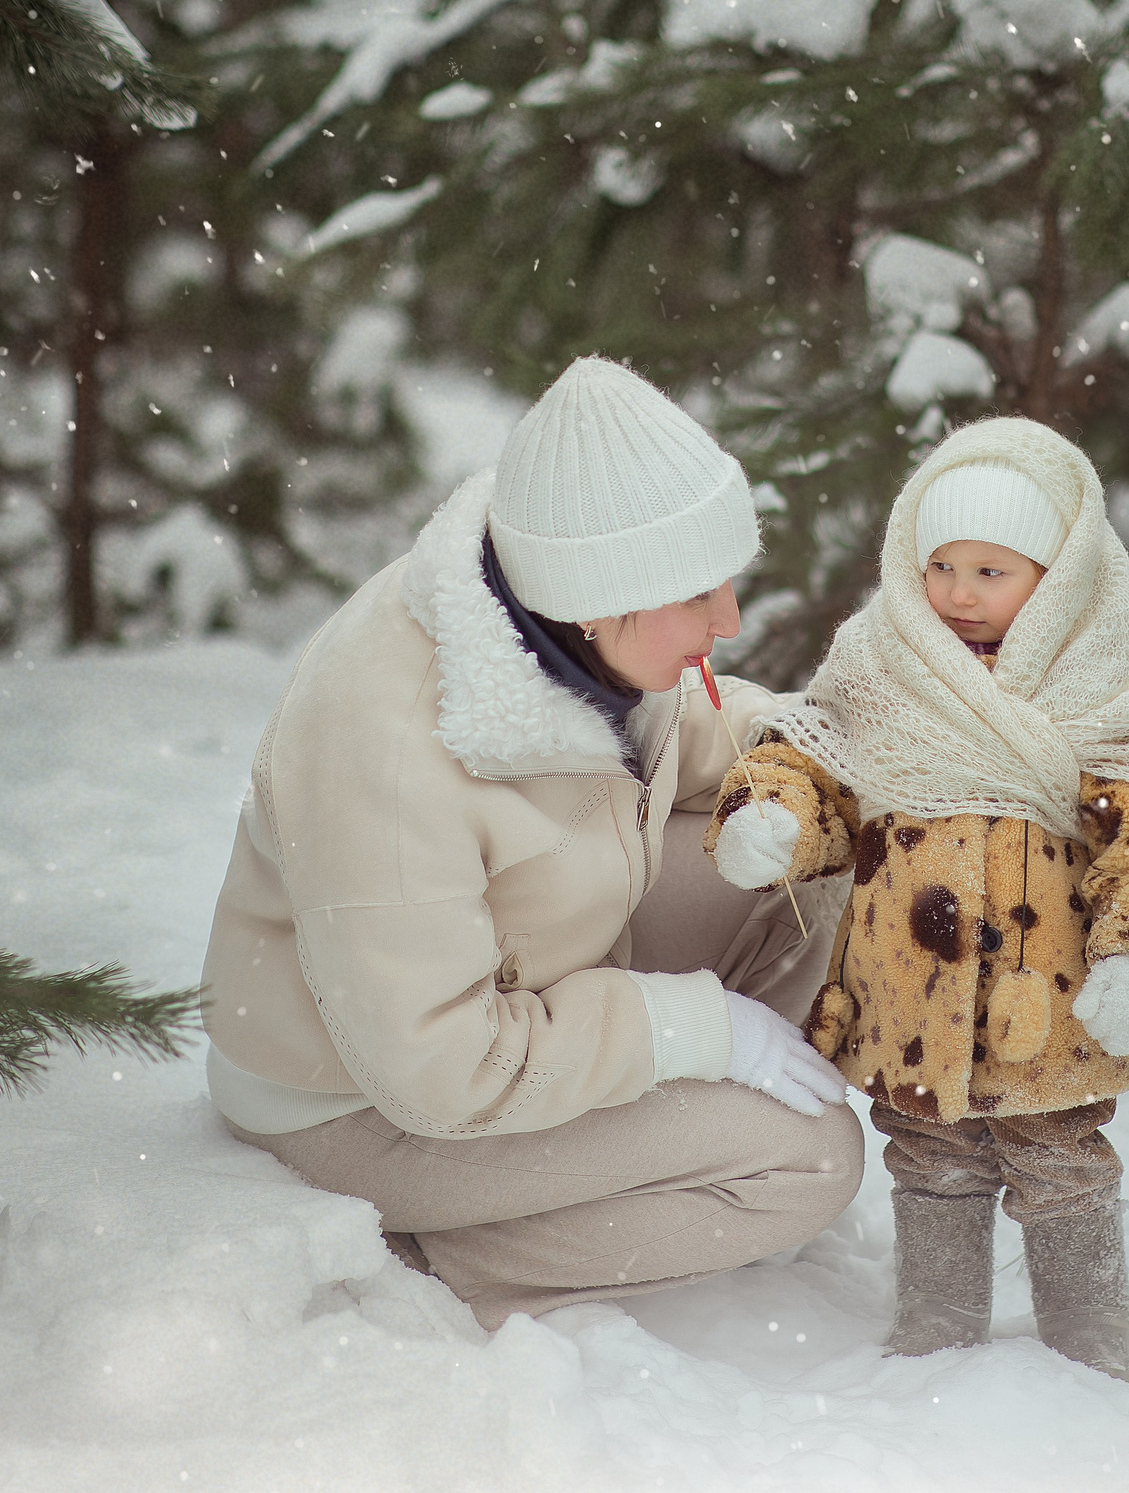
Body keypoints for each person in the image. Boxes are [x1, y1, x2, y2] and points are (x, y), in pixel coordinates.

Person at [199, 356, 858, 1330]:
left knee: (818, 851)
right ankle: (454, 1252)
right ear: (599, 597)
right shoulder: (386, 746)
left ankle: (689, 1140)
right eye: (698, 595)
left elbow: (692, 738)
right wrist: (687, 1030)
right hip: (362, 1100)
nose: (728, 621)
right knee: (812, 1160)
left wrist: (852, 751)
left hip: (528, 977)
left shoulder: (563, 616)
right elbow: (437, 1071)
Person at [705, 416, 1129, 1381]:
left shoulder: (1110, 675)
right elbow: (810, 759)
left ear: (1060, 574)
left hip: (1051, 995)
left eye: (992, 570)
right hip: (911, 991)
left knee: (1059, 1158)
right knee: (929, 1150)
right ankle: (936, 1332)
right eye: (940, 565)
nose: (957, 594)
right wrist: (772, 816)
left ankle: (1090, 1341)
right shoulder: (882, 663)